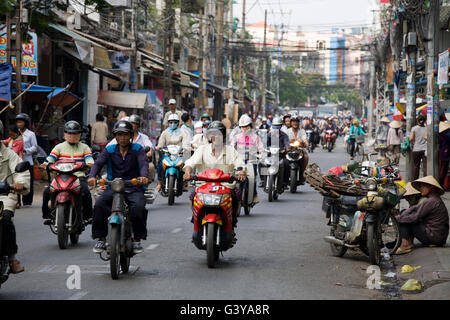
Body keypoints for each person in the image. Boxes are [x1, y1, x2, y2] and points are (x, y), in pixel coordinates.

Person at [88, 120, 149, 254]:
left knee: (138, 207)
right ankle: (101, 238)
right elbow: (98, 164)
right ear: (115, 136)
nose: (122, 138)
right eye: (119, 135)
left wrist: (143, 177)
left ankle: (137, 239)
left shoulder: (137, 149)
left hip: (133, 187)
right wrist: (92, 176)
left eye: (126, 135)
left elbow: (144, 164)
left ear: (131, 136)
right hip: (113, 187)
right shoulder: (109, 149)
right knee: (99, 205)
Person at [183, 121, 246, 231]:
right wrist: (187, 172)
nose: (216, 136)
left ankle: (233, 220)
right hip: (204, 186)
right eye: (213, 133)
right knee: (193, 195)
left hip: (226, 186)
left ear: (224, 135)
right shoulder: (202, 150)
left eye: (219, 133)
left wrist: (241, 172)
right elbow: (190, 163)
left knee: (236, 195)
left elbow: (240, 164)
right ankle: (196, 216)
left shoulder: (231, 151)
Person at [40, 121, 95, 226]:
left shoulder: (85, 147)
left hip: (79, 177)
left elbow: (89, 159)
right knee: (47, 192)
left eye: (75, 133)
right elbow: (51, 158)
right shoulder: (58, 147)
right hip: (61, 177)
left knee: (86, 192)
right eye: (69, 133)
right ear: (64, 134)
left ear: (80, 135)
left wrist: (89, 164)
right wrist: (46, 164)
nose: (72, 136)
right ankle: (47, 216)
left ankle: (88, 216)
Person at [0, 120, 30, 273]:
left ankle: (11, 258)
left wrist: (19, 183)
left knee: (4, 218)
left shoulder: (8, 154)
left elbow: (21, 171)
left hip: (4, 196)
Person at [395, 176, 449, 254]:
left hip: (435, 237)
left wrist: (400, 219)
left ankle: (405, 245)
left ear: (431, 187)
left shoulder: (431, 201)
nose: (420, 189)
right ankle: (408, 242)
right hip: (438, 237)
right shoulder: (433, 199)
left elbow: (415, 217)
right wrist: (403, 215)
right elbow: (415, 207)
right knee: (405, 215)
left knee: (406, 219)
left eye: (422, 186)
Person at [108, 114, 155, 182]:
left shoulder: (144, 137)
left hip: (140, 161)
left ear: (138, 125)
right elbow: (109, 147)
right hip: (124, 161)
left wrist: (149, 152)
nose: (123, 138)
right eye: (131, 123)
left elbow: (149, 147)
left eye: (134, 123)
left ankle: (145, 185)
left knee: (150, 167)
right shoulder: (121, 137)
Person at [230, 114, 263, 204]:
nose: (244, 129)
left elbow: (261, 148)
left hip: (252, 161)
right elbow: (231, 147)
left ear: (250, 126)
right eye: (242, 127)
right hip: (239, 162)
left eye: (246, 126)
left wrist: (261, 154)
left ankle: (254, 194)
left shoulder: (256, 137)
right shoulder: (236, 137)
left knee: (253, 177)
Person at [155, 114, 189, 192]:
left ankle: (183, 183)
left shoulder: (182, 132)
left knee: (185, 164)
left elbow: (185, 143)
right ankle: (159, 183)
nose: (172, 124)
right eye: (170, 122)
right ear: (168, 123)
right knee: (160, 164)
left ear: (178, 123)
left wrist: (186, 148)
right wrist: (159, 147)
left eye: (174, 122)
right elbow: (161, 143)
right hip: (167, 154)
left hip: (179, 154)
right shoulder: (165, 132)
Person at [16, 113, 38, 207]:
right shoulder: (15, 133)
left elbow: (35, 147)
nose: (19, 124)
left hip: (28, 161)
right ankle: (17, 201)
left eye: (20, 122)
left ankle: (27, 201)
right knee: (16, 180)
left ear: (25, 123)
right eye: (17, 122)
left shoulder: (31, 134)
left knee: (28, 182)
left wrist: (26, 151)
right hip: (17, 162)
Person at [262, 116, 290, 188]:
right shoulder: (269, 135)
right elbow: (264, 143)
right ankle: (263, 181)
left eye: (278, 125)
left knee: (286, 163)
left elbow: (287, 144)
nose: (276, 127)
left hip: (280, 156)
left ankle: (285, 181)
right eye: (275, 125)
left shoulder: (284, 135)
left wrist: (287, 148)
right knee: (262, 163)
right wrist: (263, 148)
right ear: (272, 125)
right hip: (270, 155)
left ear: (281, 126)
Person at [410, 114, 428, 179]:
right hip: (425, 150)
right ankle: (425, 180)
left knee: (416, 166)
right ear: (424, 121)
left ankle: (415, 180)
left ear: (417, 120)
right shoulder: (427, 128)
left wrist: (409, 142)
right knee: (425, 166)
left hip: (416, 149)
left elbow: (411, 139)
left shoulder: (414, 128)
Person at [438, 121, 450, 187]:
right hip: (443, 155)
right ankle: (441, 185)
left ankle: (442, 185)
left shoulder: (444, 136)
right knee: (442, 171)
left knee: (443, 171)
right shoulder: (441, 136)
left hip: (445, 155)